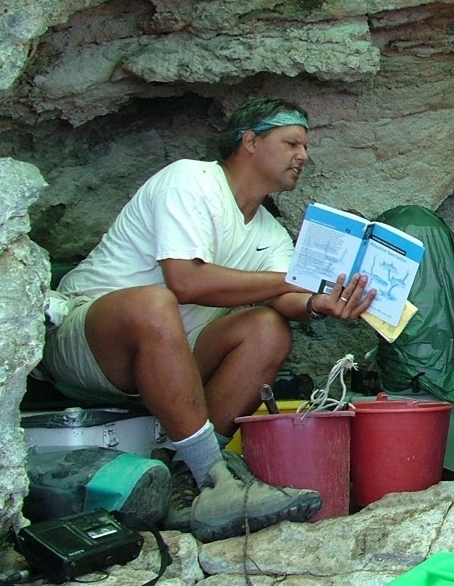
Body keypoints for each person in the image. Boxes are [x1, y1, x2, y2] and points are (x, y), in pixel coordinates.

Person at [39, 98, 376, 542]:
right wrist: (292, 281)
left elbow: (286, 297)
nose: (303, 156)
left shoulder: (270, 233)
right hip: (87, 337)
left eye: (306, 147)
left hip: (171, 352)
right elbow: (185, 282)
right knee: (155, 303)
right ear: (250, 142)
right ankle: (214, 474)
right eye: (292, 142)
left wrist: (319, 303)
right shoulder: (190, 180)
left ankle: (186, 482)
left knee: (267, 328)